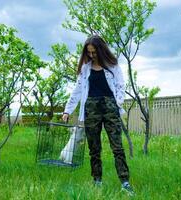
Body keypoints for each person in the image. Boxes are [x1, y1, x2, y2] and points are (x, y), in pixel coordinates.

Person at [62, 35, 134, 196]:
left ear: (101, 50)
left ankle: (125, 182)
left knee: (117, 147)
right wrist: (68, 110)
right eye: (89, 53)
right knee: (94, 149)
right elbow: (77, 90)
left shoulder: (113, 66)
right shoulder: (85, 69)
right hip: (91, 109)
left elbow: (121, 85)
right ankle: (97, 181)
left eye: (94, 52)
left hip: (110, 108)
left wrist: (118, 103)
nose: (91, 55)